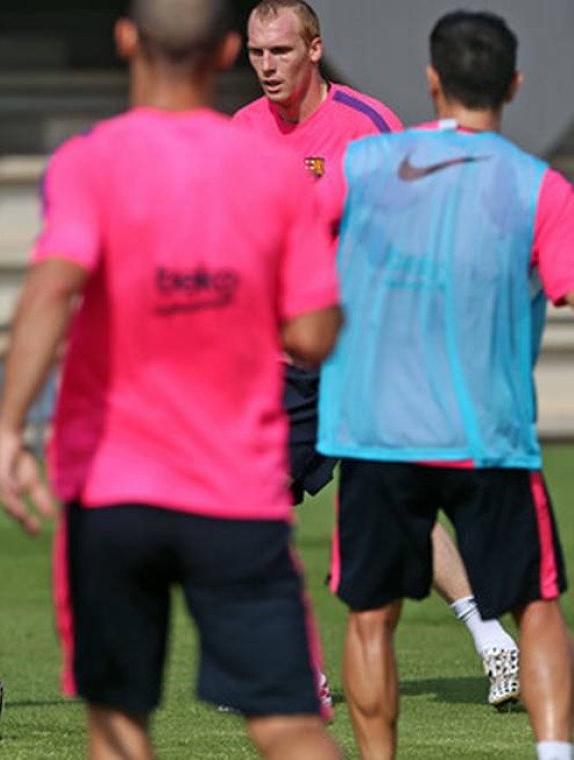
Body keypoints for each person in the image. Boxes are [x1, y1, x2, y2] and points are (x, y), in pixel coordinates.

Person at [0, 1, 344, 757]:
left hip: (112, 490)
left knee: (118, 725)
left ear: (124, 41)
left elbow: (51, 288)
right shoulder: (275, 175)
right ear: (224, 52)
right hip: (237, 493)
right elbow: (312, 335)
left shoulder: (87, 161)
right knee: (287, 724)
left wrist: (7, 430)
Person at [233, 0, 520, 709]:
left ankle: (494, 643)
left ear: (314, 49)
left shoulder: (366, 124)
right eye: (255, 53)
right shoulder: (240, 132)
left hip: (364, 347)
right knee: (254, 512)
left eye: (280, 51)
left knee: (400, 504)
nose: (267, 66)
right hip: (281, 362)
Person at [316, 11, 574, 759]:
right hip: (485, 433)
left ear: (431, 81)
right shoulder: (539, 188)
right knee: (535, 606)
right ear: (515, 85)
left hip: (373, 429)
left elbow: (287, 244)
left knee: (371, 616)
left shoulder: (362, 167)